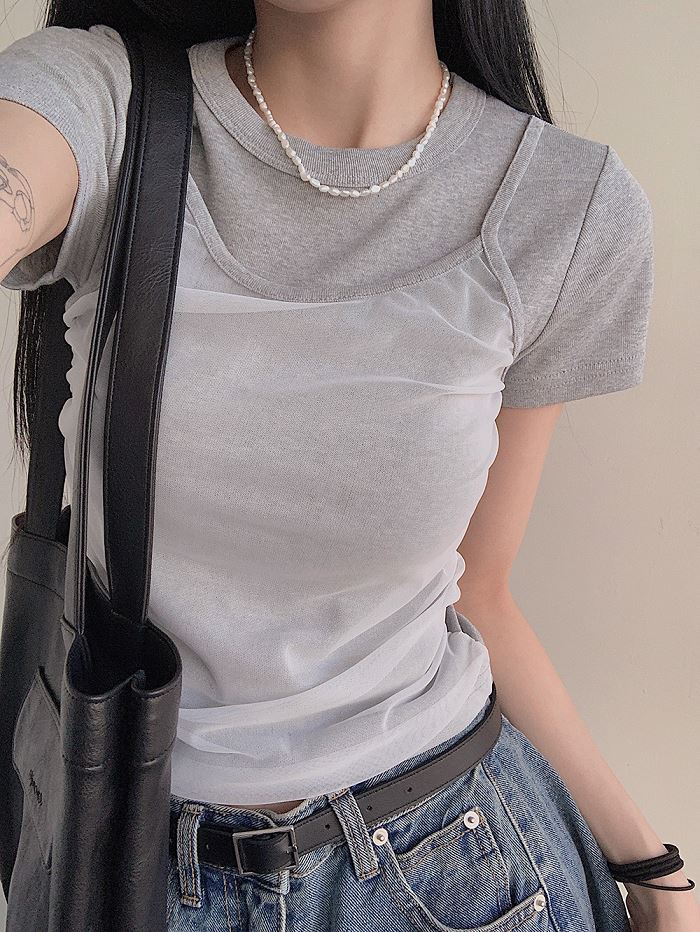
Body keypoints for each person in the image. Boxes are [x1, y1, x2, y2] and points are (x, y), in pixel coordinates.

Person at [0, 1, 697, 930]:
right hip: (132, 870)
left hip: (453, 866)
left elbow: (481, 592)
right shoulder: (105, 105)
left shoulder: (563, 206)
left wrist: (649, 863)